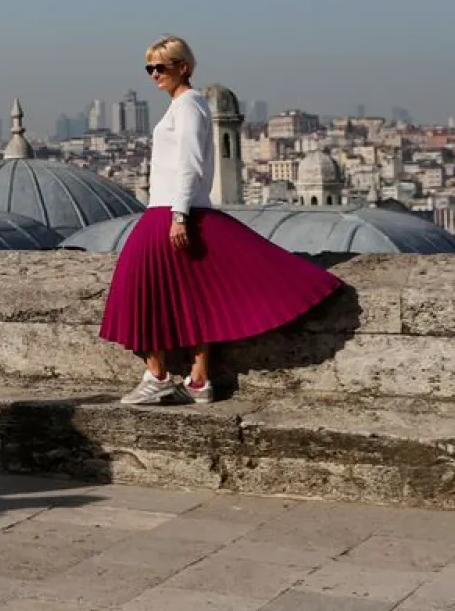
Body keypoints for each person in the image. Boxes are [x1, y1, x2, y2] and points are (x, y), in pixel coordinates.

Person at [99, 36, 343, 405]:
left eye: (160, 67)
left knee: (136, 287)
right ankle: (197, 380)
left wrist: (179, 215)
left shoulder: (189, 105)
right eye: (149, 68)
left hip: (171, 209)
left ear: (183, 67)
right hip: (169, 208)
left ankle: (158, 374)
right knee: (193, 293)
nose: (154, 75)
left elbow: (191, 164)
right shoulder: (182, 106)